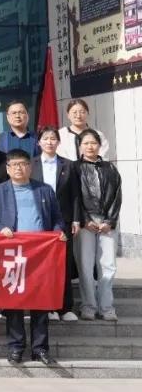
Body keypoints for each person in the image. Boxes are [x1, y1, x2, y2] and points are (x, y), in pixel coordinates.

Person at [0, 149, 66, 366]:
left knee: (40, 302)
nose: (19, 168)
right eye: (14, 165)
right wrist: (0, 228)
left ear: (30, 167)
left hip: (40, 254)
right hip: (13, 254)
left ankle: (40, 349)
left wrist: (58, 232)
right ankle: (16, 347)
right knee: (14, 302)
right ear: (7, 169)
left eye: (23, 164)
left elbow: (57, 218)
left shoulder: (44, 190)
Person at [32, 126, 80, 321]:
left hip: (64, 220)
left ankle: (65, 307)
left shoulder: (69, 165)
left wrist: (76, 219)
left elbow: (75, 194)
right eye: (45, 138)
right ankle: (46, 306)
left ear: (58, 142)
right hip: (38, 220)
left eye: (53, 138)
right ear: (39, 142)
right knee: (43, 264)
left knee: (63, 263)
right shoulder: (31, 164)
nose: (49, 142)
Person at [73, 129, 121, 321]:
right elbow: (74, 197)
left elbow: (117, 196)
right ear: (80, 146)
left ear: (100, 145)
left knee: (108, 265)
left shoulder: (110, 168)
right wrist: (85, 219)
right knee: (85, 265)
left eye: (93, 143)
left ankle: (107, 307)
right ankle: (89, 306)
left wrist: (110, 221)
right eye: (85, 143)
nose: (90, 146)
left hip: (107, 222)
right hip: (86, 223)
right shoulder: (74, 168)